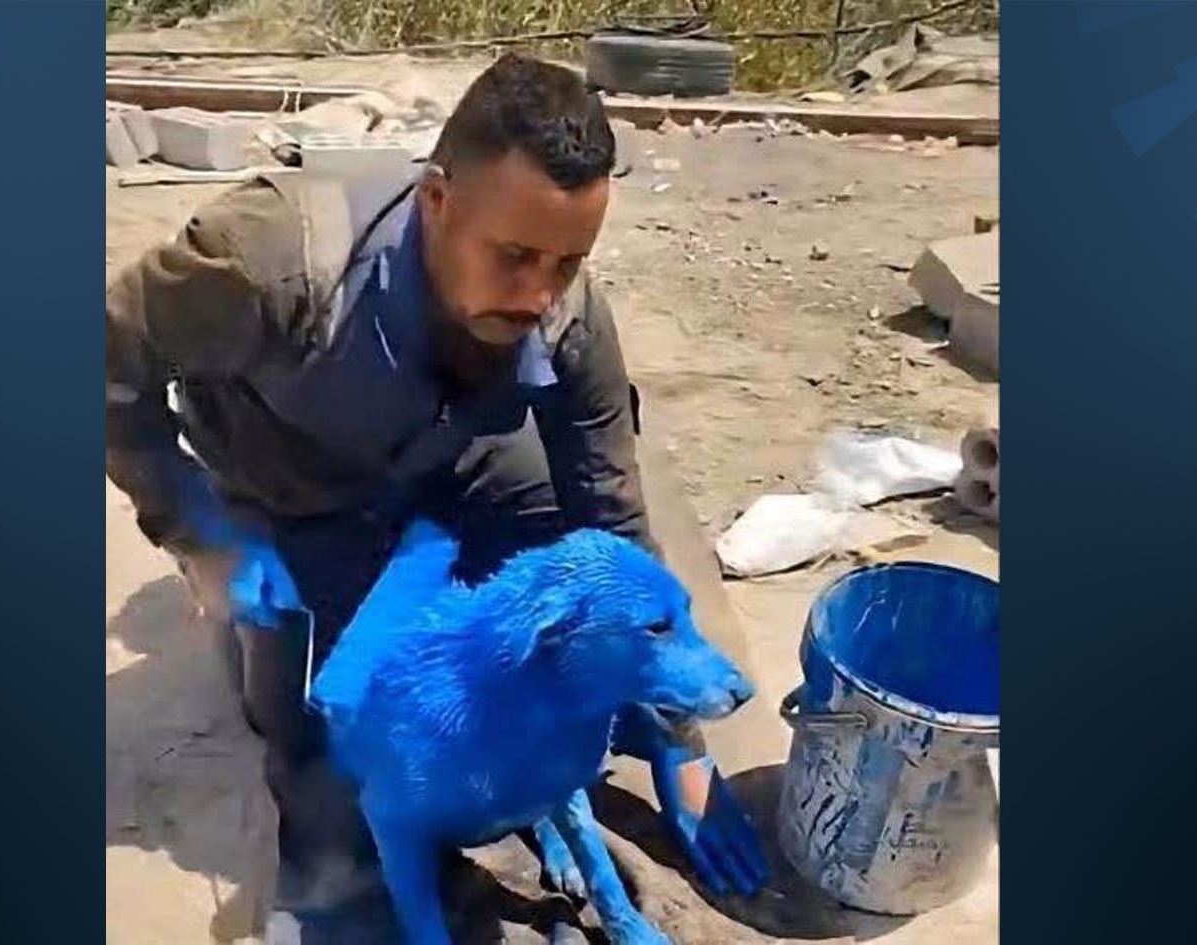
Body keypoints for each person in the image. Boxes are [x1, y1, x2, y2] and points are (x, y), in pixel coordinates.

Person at [106, 52, 767, 931]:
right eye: (515, 255)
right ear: (436, 201)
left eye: (567, 262)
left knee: (597, 579)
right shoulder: (264, 262)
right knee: (330, 743)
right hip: (295, 488)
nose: (540, 292)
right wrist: (200, 530)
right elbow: (104, 369)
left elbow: (613, 523)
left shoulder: (568, 317)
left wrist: (683, 748)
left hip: (450, 461)